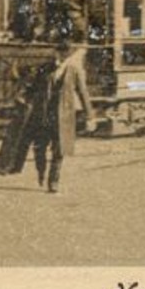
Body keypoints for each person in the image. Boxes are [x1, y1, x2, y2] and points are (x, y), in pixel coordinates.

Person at [37, 38, 93, 193]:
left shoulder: (74, 70)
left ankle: (53, 182)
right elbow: (36, 86)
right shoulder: (47, 68)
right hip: (46, 113)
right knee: (40, 147)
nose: (60, 58)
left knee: (58, 150)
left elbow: (83, 92)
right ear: (56, 53)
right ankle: (41, 174)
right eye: (59, 54)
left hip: (64, 115)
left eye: (64, 55)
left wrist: (90, 116)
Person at [0, 61, 53, 182]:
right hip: (26, 113)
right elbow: (19, 95)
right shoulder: (29, 83)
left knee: (22, 140)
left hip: (32, 113)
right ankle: (11, 166)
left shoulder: (41, 81)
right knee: (18, 140)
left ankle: (12, 166)